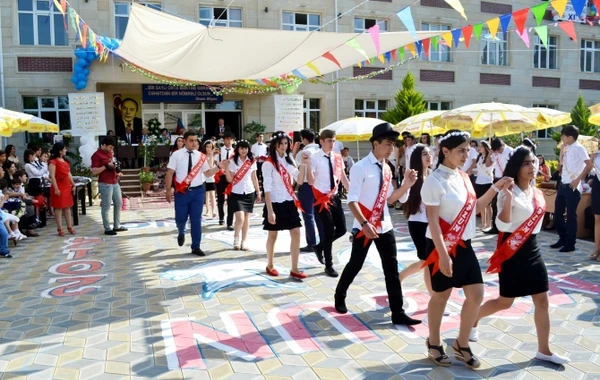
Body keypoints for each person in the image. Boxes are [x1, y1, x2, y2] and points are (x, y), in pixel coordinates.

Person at [421, 130, 511, 369]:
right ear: (445, 151)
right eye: (461, 150)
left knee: (477, 294)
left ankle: (461, 343)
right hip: (442, 246)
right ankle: (434, 343)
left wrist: (496, 187)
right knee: (441, 295)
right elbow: (432, 221)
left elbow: (476, 208)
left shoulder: (463, 177)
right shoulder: (434, 180)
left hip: (466, 245)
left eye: (468, 149)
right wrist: (442, 255)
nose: (466, 154)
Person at [473, 146, 570, 365]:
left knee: (542, 300)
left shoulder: (535, 192)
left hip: (533, 250)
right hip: (512, 252)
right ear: (516, 167)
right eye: (526, 163)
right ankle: (472, 319)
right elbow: (501, 224)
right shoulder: (508, 191)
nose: (532, 167)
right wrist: (506, 199)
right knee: (505, 302)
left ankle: (544, 350)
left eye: (533, 162)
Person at [335, 122, 421, 326]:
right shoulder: (360, 167)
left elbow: (391, 200)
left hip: (385, 226)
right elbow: (352, 199)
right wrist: (364, 223)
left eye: (393, 144)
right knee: (355, 264)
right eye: (388, 144)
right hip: (364, 226)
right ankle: (340, 294)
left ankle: (397, 311)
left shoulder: (387, 168)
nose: (391, 148)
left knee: (391, 269)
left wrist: (407, 185)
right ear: (375, 143)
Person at [165, 131, 224, 256]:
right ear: (185, 141)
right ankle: (181, 231)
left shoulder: (201, 156)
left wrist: (218, 166)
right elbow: (170, 173)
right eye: (191, 140)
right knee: (180, 218)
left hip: (197, 191)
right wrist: (168, 190)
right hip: (182, 192)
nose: (194, 143)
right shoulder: (176, 155)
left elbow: (207, 173)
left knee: (196, 219)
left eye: (195, 140)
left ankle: (196, 246)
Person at [262, 131, 309, 279]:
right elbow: (267, 188)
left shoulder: (289, 159)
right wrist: (270, 211)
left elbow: (299, 180)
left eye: (285, 143)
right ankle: (270, 264)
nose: (283, 146)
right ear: (275, 145)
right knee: (273, 235)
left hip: (289, 201)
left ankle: (294, 268)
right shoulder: (268, 163)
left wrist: (304, 165)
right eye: (280, 143)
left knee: (296, 233)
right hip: (274, 203)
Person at [309, 130, 350, 278]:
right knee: (328, 230)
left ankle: (320, 247)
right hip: (321, 199)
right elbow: (311, 181)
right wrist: (306, 167)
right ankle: (329, 264)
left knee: (342, 229)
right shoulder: (314, 158)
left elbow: (343, 178)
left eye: (333, 141)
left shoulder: (337, 158)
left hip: (335, 197)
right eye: (329, 141)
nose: (332, 144)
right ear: (321, 141)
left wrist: (352, 193)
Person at [398, 144, 433, 295]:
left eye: (430, 153)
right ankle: (400, 276)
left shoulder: (432, 175)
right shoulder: (412, 175)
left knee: (429, 261)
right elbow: (402, 198)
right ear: (417, 158)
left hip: (432, 223)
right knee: (426, 260)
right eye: (425, 154)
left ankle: (433, 296)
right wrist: (407, 184)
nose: (429, 156)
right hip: (417, 222)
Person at [552, 125, 592, 252]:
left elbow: (589, 165)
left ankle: (570, 243)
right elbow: (561, 166)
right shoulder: (567, 147)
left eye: (563, 136)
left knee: (570, 215)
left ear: (570, 137)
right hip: (563, 184)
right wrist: (562, 152)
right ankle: (562, 238)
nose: (562, 138)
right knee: (557, 213)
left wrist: (578, 180)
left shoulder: (579, 148)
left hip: (573, 186)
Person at [223, 140, 261, 250]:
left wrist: (258, 192)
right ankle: (236, 239)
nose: (244, 150)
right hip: (236, 191)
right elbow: (230, 179)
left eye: (246, 148)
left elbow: (254, 177)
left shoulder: (252, 161)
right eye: (241, 148)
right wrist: (226, 168)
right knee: (240, 218)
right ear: (237, 149)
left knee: (247, 218)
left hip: (249, 191)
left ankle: (244, 241)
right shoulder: (233, 162)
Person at [295, 129, 324, 253]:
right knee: (319, 215)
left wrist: (295, 149)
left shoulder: (305, 151)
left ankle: (311, 243)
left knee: (308, 215)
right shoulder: (320, 149)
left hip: (307, 185)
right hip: (320, 186)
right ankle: (323, 241)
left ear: (304, 139)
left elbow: (294, 162)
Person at [91, 138, 128, 236]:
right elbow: (94, 171)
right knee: (106, 206)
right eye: (110, 147)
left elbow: (112, 165)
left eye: (112, 148)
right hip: (105, 183)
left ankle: (117, 225)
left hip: (114, 181)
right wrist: (105, 166)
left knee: (119, 203)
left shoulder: (109, 153)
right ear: (104, 145)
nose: (111, 149)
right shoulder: (96, 155)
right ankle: (107, 228)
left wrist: (117, 171)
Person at [486, 138, 514, 234]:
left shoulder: (510, 151)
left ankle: (505, 226)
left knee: (504, 202)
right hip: (497, 179)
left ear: (502, 145)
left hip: (507, 179)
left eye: (498, 150)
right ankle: (495, 226)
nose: (497, 152)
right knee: (495, 203)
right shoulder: (494, 152)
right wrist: (490, 153)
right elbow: (488, 164)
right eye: (495, 150)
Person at [48, 143, 76, 236]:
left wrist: (73, 184)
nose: (66, 150)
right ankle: (60, 228)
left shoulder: (65, 161)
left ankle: (69, 227)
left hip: (66, 185)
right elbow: (52, 176)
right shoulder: (53, 162)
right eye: (64, 149)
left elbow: (68, 174)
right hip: (58, 185)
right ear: (60, 150)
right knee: (59, 207)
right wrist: (56, 188)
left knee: (67, 207)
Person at [217, 130, 235, 228]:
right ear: (223, 140)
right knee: (220, 198)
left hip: (231, 177)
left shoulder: (235, 151)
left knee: (231, 200)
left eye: (230, 139)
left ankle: (230, 222)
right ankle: (221, 217)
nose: (228, 141)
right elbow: (215, 163)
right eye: (227, 139)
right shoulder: (219, 150)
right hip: (221, 176)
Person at [475, 141, 494, 230]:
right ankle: (483, 223)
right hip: (479, 181)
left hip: (487, 182)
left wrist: (489, 154)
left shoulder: (490, 157)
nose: (479, 148)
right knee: (481, 204)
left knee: (488, 204)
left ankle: (489, 223)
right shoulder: (479, 157)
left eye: (481, 146)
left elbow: (487, 165)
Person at [202, 140, 218, 219]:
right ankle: (207, 211)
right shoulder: (202, 156)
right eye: (207, 147)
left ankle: (214, 210)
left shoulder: (213, 156)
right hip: (203, 177)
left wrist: (211, 155)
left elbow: (211, 166)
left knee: (212, 194)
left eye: (210, 147)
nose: (208, 149)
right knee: (206, 195)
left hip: (211, 177)